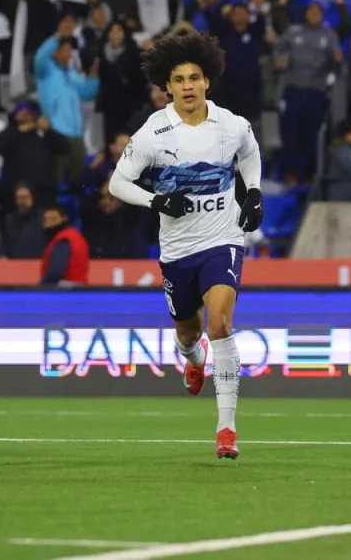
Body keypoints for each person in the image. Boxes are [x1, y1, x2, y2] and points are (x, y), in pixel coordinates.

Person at [108, 31, 264, 459]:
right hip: (177, 250)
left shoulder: (231, 124)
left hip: (223, 239)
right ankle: (192, 361)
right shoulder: (154, 132)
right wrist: (156, 199)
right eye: (179, 79)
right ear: (167, 86)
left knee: (221, 325)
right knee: (188, 333)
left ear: (208, 80)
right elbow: (117, 183)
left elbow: (249, 154)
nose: (188, 85)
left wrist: (252, 193)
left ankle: (226, 429)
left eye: (195, 76)